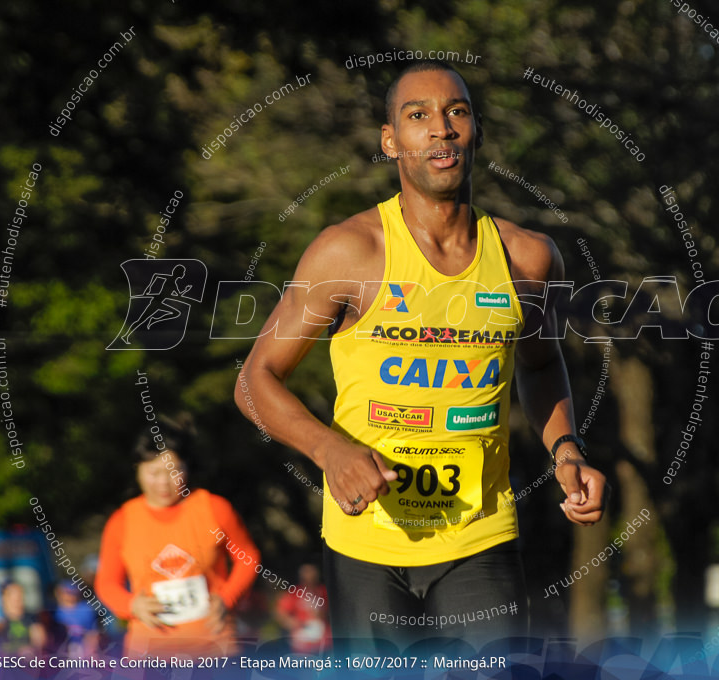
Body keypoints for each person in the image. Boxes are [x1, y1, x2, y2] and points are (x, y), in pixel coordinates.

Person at [235, 60, 608, 646]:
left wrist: (566, 450)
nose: (441, 128)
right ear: (391, 142)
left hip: (479, 540)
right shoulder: (349, 253)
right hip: (367, 546)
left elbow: (539, 363)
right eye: (418, 116)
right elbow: (256, 380)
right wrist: (331, 450)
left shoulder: (529, 260)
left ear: (476, 132)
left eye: (456, 112)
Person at [95, 421, 260, 658]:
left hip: (215, 648)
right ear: (137, 469)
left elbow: (248, 557)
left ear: (187, 467)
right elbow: (107, 583)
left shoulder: (214, 508)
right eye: (154, 473)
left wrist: (228, 597)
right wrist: (131, 605)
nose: (164, 483)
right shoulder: (121, 521)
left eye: (175, 471)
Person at [275, 564, 330, 654]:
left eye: (312, 576)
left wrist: (324, 615)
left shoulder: (324, 591)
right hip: (302, 643)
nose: (309, 578)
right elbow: (280, 613)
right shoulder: (295, 592)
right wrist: (292, 622)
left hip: (324, 643)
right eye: (306, 575)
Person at [0, 581, 46, 657]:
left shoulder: (31, 618)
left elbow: (40, 642)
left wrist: (31, 649)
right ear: (3, 597)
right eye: (12, 595)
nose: (17, 599)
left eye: (19, 595)